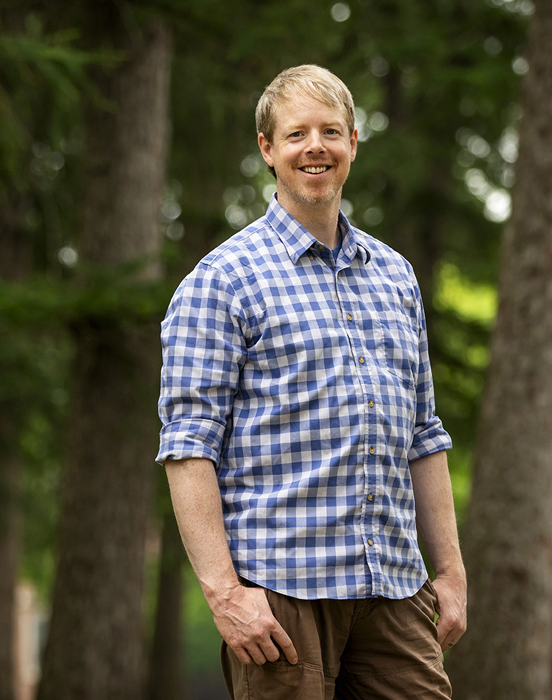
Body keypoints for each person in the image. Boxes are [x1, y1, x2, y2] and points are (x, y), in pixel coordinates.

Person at [156, 64, 467, 699]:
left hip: (396, 589)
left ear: (354, 141)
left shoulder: (395, 276)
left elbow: (424, 436)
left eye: (331, 131)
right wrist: (224, 593)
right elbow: (189, 446)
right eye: (297, 134)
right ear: (268, 150)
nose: (315, 147)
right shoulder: (222, 280)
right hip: (281, 599)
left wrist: (452, 572)